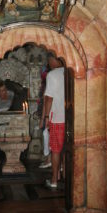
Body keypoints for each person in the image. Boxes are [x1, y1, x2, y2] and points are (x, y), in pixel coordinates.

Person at [40, 52, 65, 188]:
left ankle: (54, 179)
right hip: (70, 118)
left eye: (49, 59)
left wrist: (46, 117)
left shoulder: (52, 75)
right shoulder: (68, 71)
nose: (48, 63)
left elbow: (48, 98)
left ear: (54, 59)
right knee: (66, 148)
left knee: (55, 149)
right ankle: (63, 175)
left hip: (56, 118)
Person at [37, 64, 52, 169]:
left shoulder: (47, 85)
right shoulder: (46, 85)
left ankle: (49, 160)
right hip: (48, 114)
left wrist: (43, 119)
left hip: (47, 115)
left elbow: (45, 102)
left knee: (47, 137)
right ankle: (48, 159)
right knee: (47, 137)